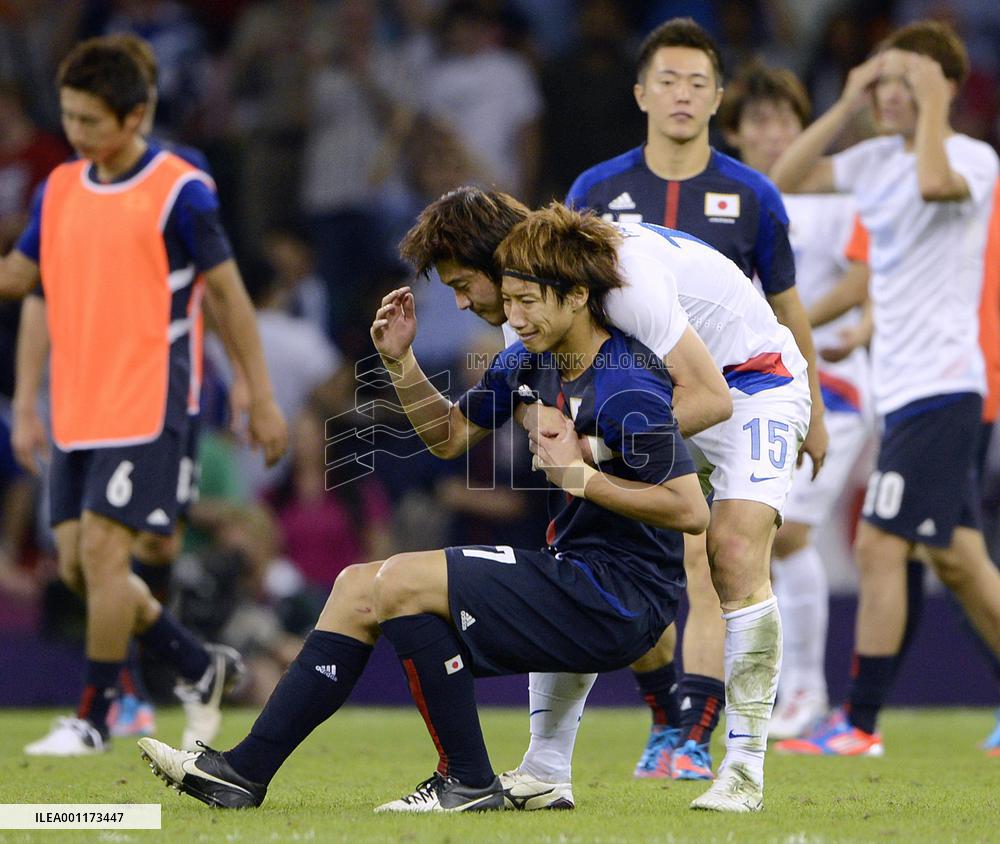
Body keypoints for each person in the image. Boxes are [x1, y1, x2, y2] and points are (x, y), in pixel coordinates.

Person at [136, 204, 710, 812]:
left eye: (523, 302)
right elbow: (449, 436)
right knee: (361, 586)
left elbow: (690, 509)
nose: (508, 318)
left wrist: (581, 477)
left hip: (618, 599)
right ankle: (244, 772)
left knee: (402, 579)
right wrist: (401, 363)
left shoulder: (626, 381)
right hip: (573, 576)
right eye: (508, 302)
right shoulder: (530, 361)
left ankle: (465, 780)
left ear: (574, 296)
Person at [395, 187, 810, 812]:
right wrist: (397, 362)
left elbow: (711, 399)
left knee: (730, 550)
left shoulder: (622, 281)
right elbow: (457, 435)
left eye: (462, 284)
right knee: (580, 550)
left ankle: (744, 770)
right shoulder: (531, 305)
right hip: (668, 401)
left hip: (753, 384)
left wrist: (587, 453)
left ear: (497, 260)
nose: (461, 302)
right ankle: (544, 769)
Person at [0, 39, 287, 755]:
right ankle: (197, 662)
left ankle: (97, 714)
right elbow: (22, 281)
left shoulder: (179, 188)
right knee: (76, 567)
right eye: (67, 117)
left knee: (109, 551)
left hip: (147, 396)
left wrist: (258, 393)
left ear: (134, 118)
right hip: (76, 400)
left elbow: (226, 293)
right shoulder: (59, 187)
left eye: (91, 120)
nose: (76, 133)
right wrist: (30, 400)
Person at [564, 17, 827, 783]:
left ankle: (693, 730)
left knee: (712, 554)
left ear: (718, 100)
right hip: (629, 400)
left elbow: (786, 308)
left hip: (730, 399)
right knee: (626, 562)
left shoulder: (752, 195)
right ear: (641, 93)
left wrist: (812, 412)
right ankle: (664, 716)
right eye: (668, 80)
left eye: (698, 83)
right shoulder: (594, 192)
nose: (682, 95)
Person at [770, 19, 1000, 755]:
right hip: (897, 390)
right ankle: (859, 721)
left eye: (906, 83)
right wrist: (845, 104)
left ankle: (860, 724)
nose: (891, 96)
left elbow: (934, 184)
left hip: (944, 385)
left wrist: (932, 103)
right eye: (885, 83)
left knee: (877, 545)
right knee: (961, 564)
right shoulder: (870, 160)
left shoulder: (973, 157)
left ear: (941, 88)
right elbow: (787, 180)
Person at [718, 62, 874, 739]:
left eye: (786, 119)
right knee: (759, 538)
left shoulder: (835, 199)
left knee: (794, 534)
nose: (775, 133)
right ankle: (786, 690)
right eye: (760, 121)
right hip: (760, 388)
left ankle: (805, 691)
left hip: (831, 384)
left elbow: (870, 275)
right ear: (737, 133)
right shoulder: (732, 201)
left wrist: (789, 319)